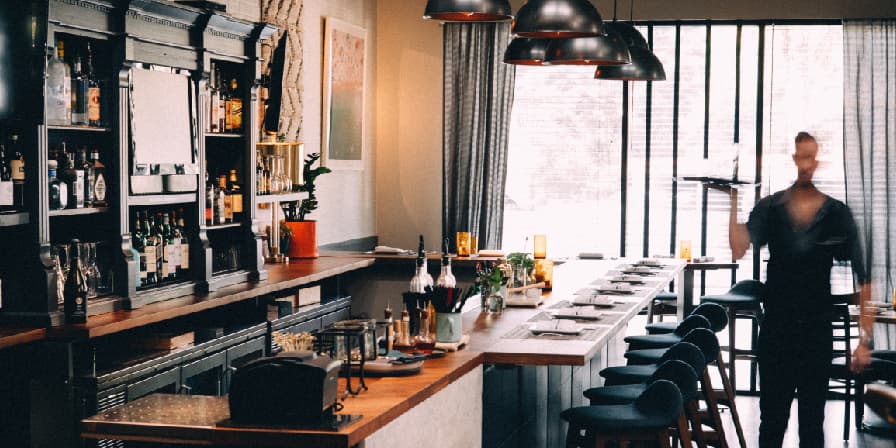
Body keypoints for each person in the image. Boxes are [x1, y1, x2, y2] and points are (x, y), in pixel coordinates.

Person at [714, 131, 872, 447]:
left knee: (812, 425)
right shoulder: (772, 208)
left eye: (811, 157)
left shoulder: (835, 213)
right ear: (795, 159)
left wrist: (864, 340)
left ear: (816, 161)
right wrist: (732, 201)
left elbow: (863, 277)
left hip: (815, 332)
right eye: (802, 156)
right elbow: (737, 248)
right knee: (772, 422)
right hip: (777, 331)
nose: (806, 163)